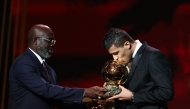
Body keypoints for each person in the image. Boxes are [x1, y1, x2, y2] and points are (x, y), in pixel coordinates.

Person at [9, 24, 107, 109]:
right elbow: (45, 90)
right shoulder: (23, 63)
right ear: (36, 41)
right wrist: (85, 92)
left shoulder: (49, 70)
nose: (53, 45)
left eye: (54, 41)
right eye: (49, 40)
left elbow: (58, 100)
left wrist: (86, 105)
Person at [102, 28, 174, 109]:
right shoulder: (124, 59)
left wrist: (133, 96)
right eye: (112, 54)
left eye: (116, 53)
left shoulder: (153, 56)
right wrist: (114, 87)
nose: (114, 58)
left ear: (127, 44)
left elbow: (166, 93)